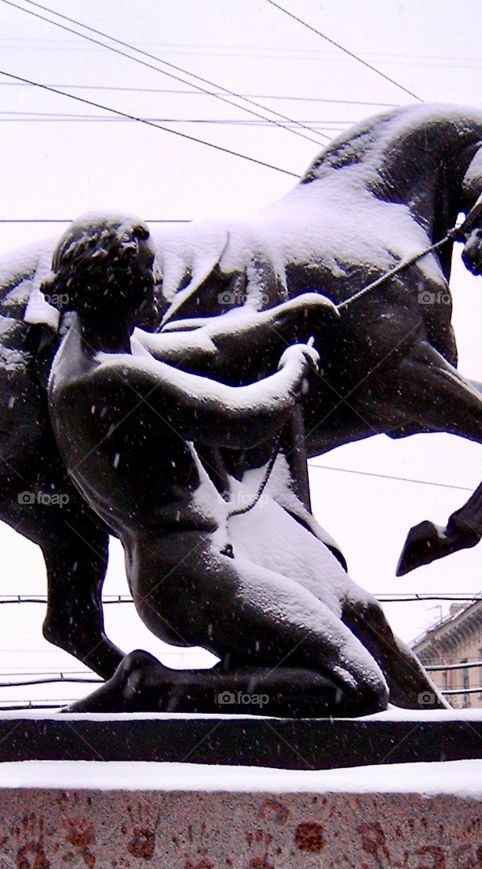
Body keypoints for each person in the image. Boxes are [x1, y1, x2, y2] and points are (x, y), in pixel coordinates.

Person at [41, 212, 444, 715]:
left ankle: (450, 741)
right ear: (115, 281)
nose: (156, 282)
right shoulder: (110, 377)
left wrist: (285, 318)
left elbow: (210, 347)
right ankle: (154, 685)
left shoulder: (109, 347)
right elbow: (244, 419)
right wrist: (295, 367)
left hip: (201, 556)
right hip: (189, 572)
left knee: (360, 610)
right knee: (358, 684)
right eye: (147, 271)